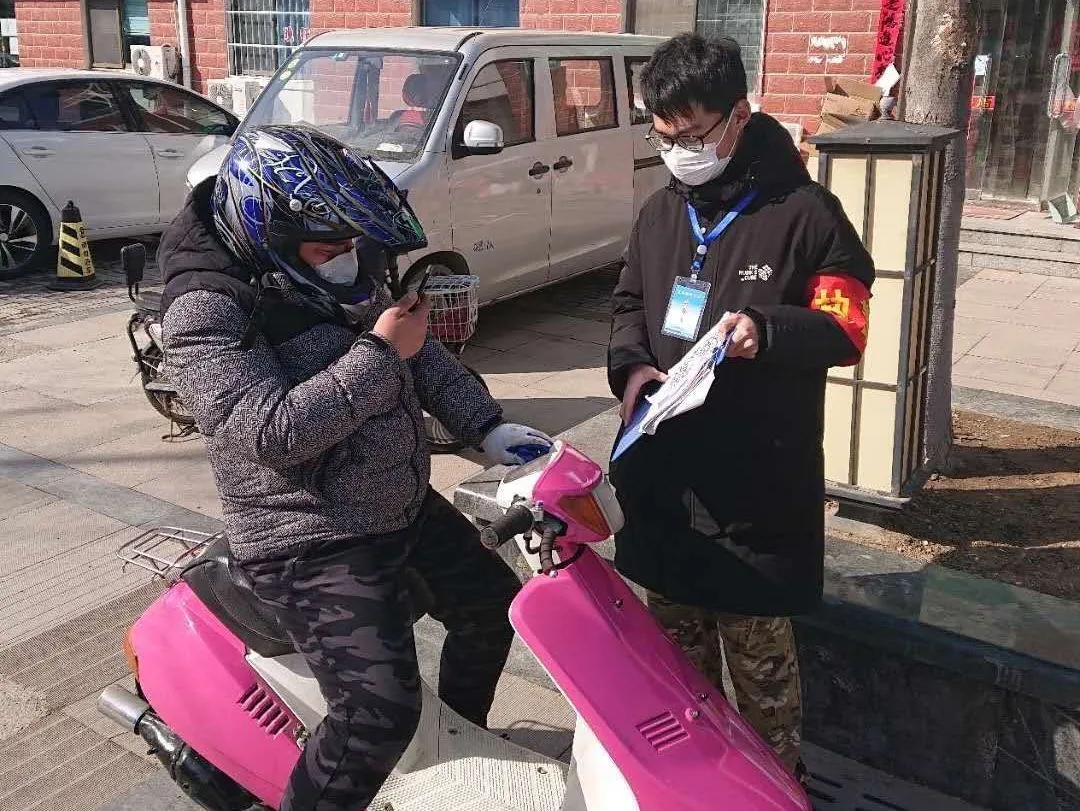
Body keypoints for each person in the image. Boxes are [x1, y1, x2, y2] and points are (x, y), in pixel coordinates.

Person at [159, 124, 553, 811]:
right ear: (269, 235)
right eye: (329, 248)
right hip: (307, 535)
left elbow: (421, 352)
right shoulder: (206, 310)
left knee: (495, 609)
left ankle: (454, 747)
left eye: (353, 245)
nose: (347, 260)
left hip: (398, 501)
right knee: (377, 713)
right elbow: (269, 432)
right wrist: (379, 353)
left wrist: (486, 426)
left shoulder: (336, 268)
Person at [606, 33, 875, 778]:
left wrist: (768, 330)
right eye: (665, 137)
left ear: (739, 115)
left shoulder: (808, 215)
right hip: (665, 487)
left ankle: (772, 788)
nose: (680, 152)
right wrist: (630, 370)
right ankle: (693, 787)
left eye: (695, 135)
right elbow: (627, 305)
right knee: (675, 681)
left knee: (763, 692)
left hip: (753, 494)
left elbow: (846, 329)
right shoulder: (661, 213)